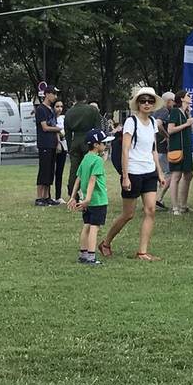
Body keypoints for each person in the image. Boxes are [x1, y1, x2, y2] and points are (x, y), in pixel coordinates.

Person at [98, 87, 167, 262]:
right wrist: (126, 176)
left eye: (150, 101)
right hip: (134, 172)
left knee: (150, 210)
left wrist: (159, 172)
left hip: (149, 171)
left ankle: (142, 252)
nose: (146, 104)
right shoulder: (131, 122)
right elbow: (125, 150)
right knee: (128, 214)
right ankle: (105, 242)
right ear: (137, 103)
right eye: (143, 100)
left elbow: (153, 149)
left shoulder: (152, 123)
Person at [67, 128, 114, 265]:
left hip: (86, 200)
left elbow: (78, 178)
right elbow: (93, 179)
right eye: (103, 143)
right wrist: (88, 198)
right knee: (94, 227)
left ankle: (83, 254)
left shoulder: (86, 158)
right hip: (97, 200)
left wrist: (73, 196)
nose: (105, 146)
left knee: (86, 225)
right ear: (96, 145)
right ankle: (91, 257)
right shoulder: (97, 161)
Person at [64, 89, 102, 200]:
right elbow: (98, 129)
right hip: (89, 141)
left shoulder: (69, 112)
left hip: (75, 141)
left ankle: (72, 193)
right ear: (86, 97)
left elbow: (67, 133)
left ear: (75, 98)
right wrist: (98, 144)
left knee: (74, 169)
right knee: (91, 168)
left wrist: (70, 146)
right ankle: (91, 192)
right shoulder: (92, 110)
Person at [167, 89, 193, 215]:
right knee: (176, 176)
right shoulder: (174, 112)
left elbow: (192, 128)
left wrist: (189, 118)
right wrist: (186, 124)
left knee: (189, 175)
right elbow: (170, 130)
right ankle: (175, 207)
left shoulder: (187, 112)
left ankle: (183, 205)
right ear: (182, 99)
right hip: (177, 148)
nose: (190, 97)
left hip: (187, 148)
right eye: (188, 96)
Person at [34, 86, 62, 206]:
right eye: (54, 94)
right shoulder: (41, 109)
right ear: (47, 94)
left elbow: (54, 127)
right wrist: (58, 128)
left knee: (50, 171)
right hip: (44, 143)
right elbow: (45, 127)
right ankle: (39, 197)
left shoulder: (51, 109)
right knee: (43, 170)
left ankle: (47, 196)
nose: (55, 97)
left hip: (52, 144)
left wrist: (58, 142)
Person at [153, 91, 175, 210]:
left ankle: (153, 200)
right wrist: (167, 136)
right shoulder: (164, 110)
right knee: (169, 174)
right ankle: (158, 199)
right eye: (173, 101)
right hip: (162, 148)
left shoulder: (156, 110)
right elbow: (158, 124)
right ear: (168, 101)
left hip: (156, 147)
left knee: (159, 174)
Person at [52, 99, 67, 204]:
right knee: (50, 171)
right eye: (57, 106)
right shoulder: (51, 119)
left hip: (63, 147)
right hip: (53, 146)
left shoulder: (63, 119)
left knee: (59, 172)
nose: (59, 109)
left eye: (61, 106)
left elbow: (64, 132)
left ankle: (58, 196)